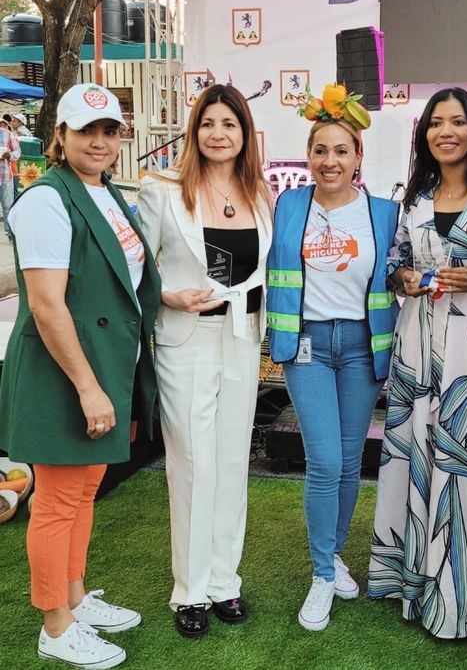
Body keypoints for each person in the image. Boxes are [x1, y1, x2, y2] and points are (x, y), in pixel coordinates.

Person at [0, 83, 161, 669]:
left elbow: (126, 276)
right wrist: (89, 387)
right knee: (58, 500)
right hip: (66, 373)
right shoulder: (45, 199)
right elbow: (46, 304)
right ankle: (54, 626)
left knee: (82, 491)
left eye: (108, 130)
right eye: (85, 130)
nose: (98, 141)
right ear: (59, 137)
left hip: (103, 365)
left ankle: (72, 598)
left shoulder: (106, 193)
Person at [368, 88, 467, 642]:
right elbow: (395, 262)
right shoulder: (417, 194)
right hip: (418, 337)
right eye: (435, 123)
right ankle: (417, 582)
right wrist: (403, 277)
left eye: (457, 122)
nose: (445, 131)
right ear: (424, 133)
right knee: (417, 449)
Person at [136, 84, 272, 638]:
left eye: (230, 124)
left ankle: (224, 582)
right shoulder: (163, 189)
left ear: (244, 134)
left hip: (241, 340)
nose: (219, 133)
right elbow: (138, 266)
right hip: (185, 340)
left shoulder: (260, 193)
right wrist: (169, 295)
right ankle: (189, 591)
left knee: (232, 460)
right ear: (194, 131)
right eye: (209, 123)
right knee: (193, 463)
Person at [267, 85, 400, 631]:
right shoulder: (288, 204)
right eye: (320, 150)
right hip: (308, 348)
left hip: (361, 349)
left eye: (341, 150)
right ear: (309, 156)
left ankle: (335, 554)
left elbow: (402, 270)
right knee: (323, 461)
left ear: (359, 157)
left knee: (348, 462)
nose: (330, 161)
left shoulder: (383, 212)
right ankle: (323, 573)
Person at [0, 117, 20, 239]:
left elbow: (18, 152)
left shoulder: (8, 135)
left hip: (6, 177)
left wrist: (9, 155)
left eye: (3, 124)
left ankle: (10, 234)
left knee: (8, 206)